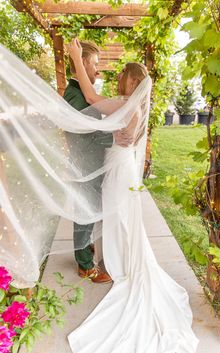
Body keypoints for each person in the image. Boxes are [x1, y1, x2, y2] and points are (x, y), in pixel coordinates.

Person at [66, 39, 199, 353]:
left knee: (120, 218)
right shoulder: (132, 106)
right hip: (120, 167)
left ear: (134, 82)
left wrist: (75, 58)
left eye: (124, 75)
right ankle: (119, 260)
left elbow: (89, 96)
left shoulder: (125, 103)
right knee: (120, 218)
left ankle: (121, 263)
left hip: (118, 170)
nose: (117, 77)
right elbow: (117, 128)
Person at [64, 41, 133, 284]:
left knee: (90, 209)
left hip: (91, 162)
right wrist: (112, 135)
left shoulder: (80, 92)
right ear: (82, 63)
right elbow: (82, 129)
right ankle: (85, 266)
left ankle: (86, 246)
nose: (98, 70)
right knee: (84, 211)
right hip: (85, 164)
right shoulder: (74, 94)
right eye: (95, 64)